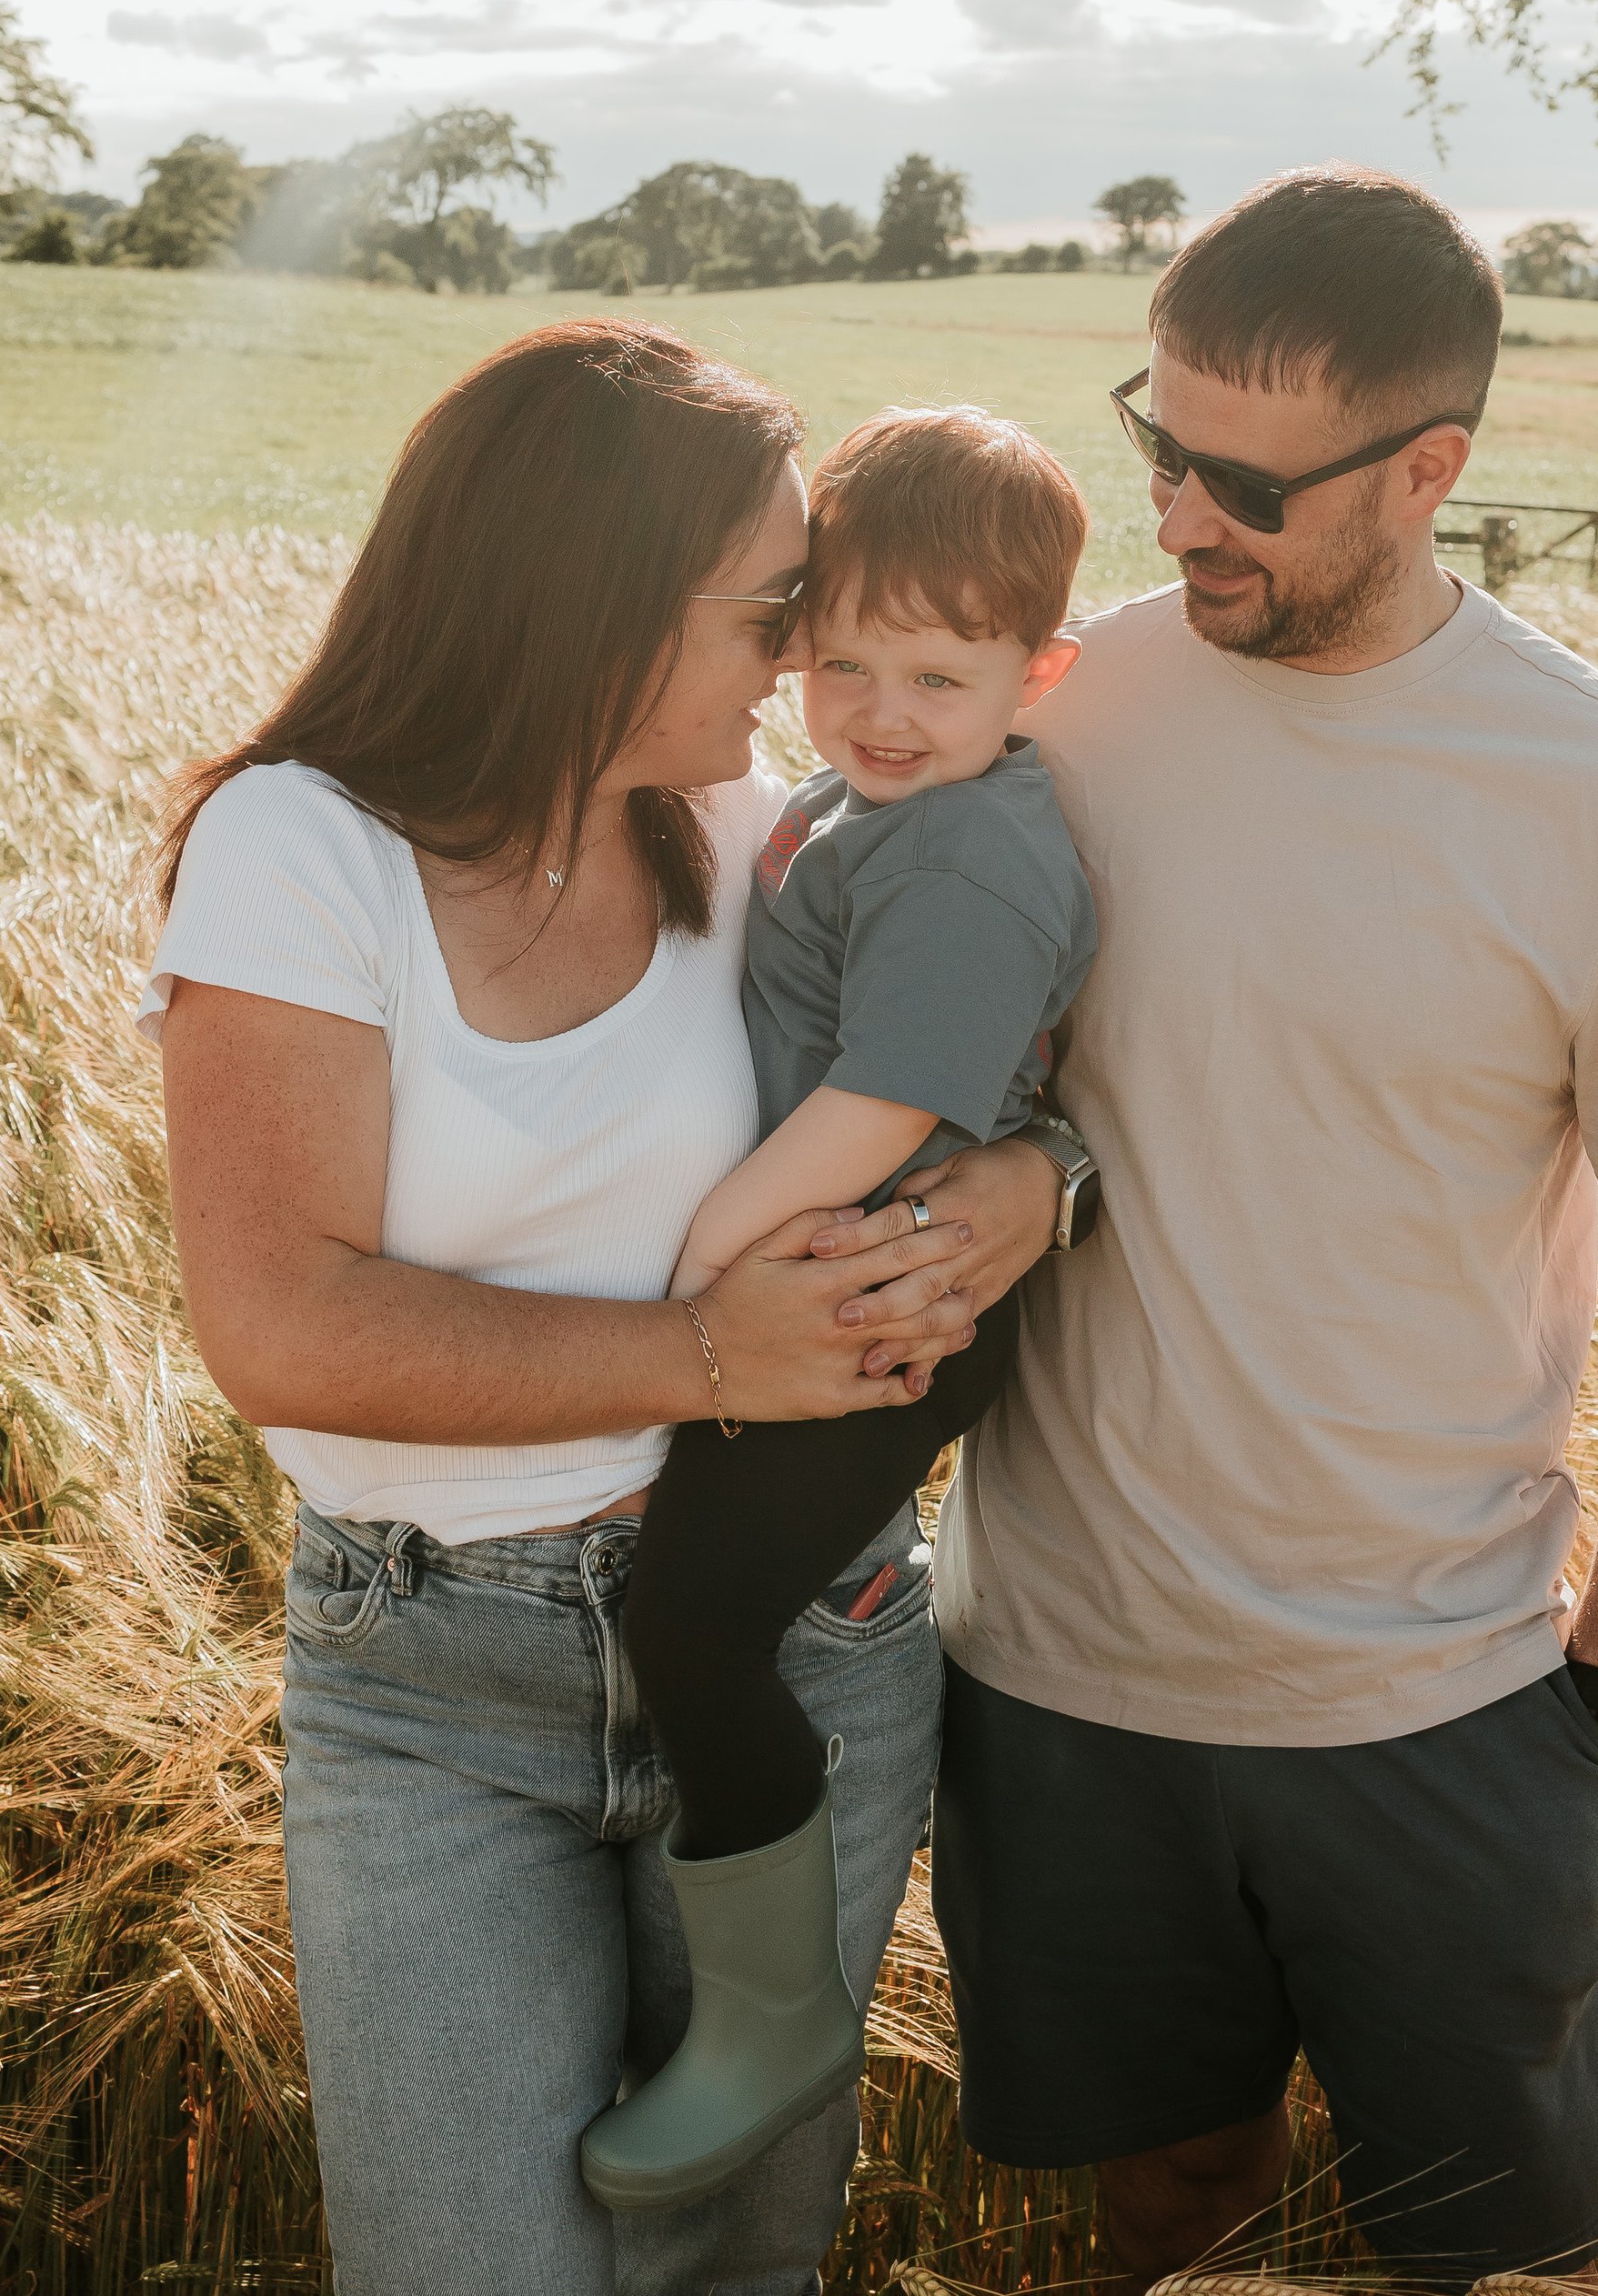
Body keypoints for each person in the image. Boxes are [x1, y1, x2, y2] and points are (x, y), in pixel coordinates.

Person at [928, 167, 1598, 2294]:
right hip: (1054, 1691)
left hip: (1443, 1715)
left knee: (1486, 2263)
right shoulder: (1050, 705)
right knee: (1164, 2214)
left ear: (1427, 472)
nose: (1176, 515)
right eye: (1156, 441)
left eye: (1238, 480)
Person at [141, 321, 1059, 2296]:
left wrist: (1037, 1177)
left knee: (732, 2272)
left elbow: (986, 1037)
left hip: (811, 1634)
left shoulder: (762, 837)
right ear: (597, 608)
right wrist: (707, 1355)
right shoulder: (301, 850)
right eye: (771, 610)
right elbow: (283, 1318)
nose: (805, 664)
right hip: (429, 1687)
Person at [583, 407, 1101, 2214]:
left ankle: (774, 2022)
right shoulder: (869, 798)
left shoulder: (961, 849)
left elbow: (887, 1107)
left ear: (1036, 672)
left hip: (887, 1310)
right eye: (841, 663)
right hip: (842, 1279)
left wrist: (703, 1257)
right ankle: (755, 2011)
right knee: (699, 1607)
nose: (881, 711)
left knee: (697, 1622)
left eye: (939, 678)